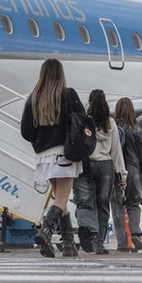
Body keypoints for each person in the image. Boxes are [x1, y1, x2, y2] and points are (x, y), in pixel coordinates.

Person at [19, 58, 84, 258]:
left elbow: (25, 131)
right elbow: (82, 120)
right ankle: (45, 231)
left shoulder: (33, 99)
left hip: (44, 156)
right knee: (62, 198)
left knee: (60, 200)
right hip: (63, 154)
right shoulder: (68, 95)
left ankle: (68, 245)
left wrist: (40, 138)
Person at [73, 89, 126, 255]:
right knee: (103, 205)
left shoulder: (85, 121)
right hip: (106, 167)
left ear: (89, 101)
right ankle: (99, 244)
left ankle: (86, 227)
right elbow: (116, 151)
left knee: (84, 201)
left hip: (86, 164)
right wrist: (122, 174)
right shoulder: (110, 123)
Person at [111, 97, 142, 251]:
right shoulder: (137, 130)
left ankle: (123, 243)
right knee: (133, 203)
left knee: (117, 206)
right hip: (133, 171)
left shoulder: (113, 129)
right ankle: (135, 232)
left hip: (116, 170)